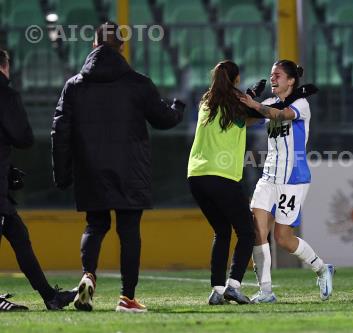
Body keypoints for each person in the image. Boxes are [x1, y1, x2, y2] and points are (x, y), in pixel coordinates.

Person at [51, 22, 184, 313]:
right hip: (130, 169)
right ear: (122, 47)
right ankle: (127, 298)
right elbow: (163, 119)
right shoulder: (138, 83)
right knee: (129, 231)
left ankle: (88, 275)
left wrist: (62, 174)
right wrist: (178, 108)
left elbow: (59, 131)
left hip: (90, 169)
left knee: (95, 224)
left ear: (93, 46)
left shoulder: (74, 86)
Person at [240, 60, 335, 303]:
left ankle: (322, 269)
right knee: (256, 231)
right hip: (269, 177)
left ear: (291, 80)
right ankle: (266, 291)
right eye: (271, 75)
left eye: (278, 75)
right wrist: (248, 102)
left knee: (283, 238)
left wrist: (256, 106)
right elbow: (249, 120)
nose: (272, 79)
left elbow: (282, 115)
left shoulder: (301, 104)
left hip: (293, 178)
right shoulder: (269, 102)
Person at [0, 48, 76, 311]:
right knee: (18, 237)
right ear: (4, 67)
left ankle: (50, 296)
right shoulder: (6, 94)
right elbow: (24, 137)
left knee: (19, 235)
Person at [187, 60, 258, 305]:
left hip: (196, 176)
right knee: (247, 232)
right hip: (222, 175)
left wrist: (246, 97)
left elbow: (238, 118)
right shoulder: (236, 103)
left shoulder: (206, 102)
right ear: (236, 79)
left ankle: (217, 290)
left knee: (222, 231)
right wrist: (252, 98)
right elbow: (258, 116)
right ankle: (234, 286)